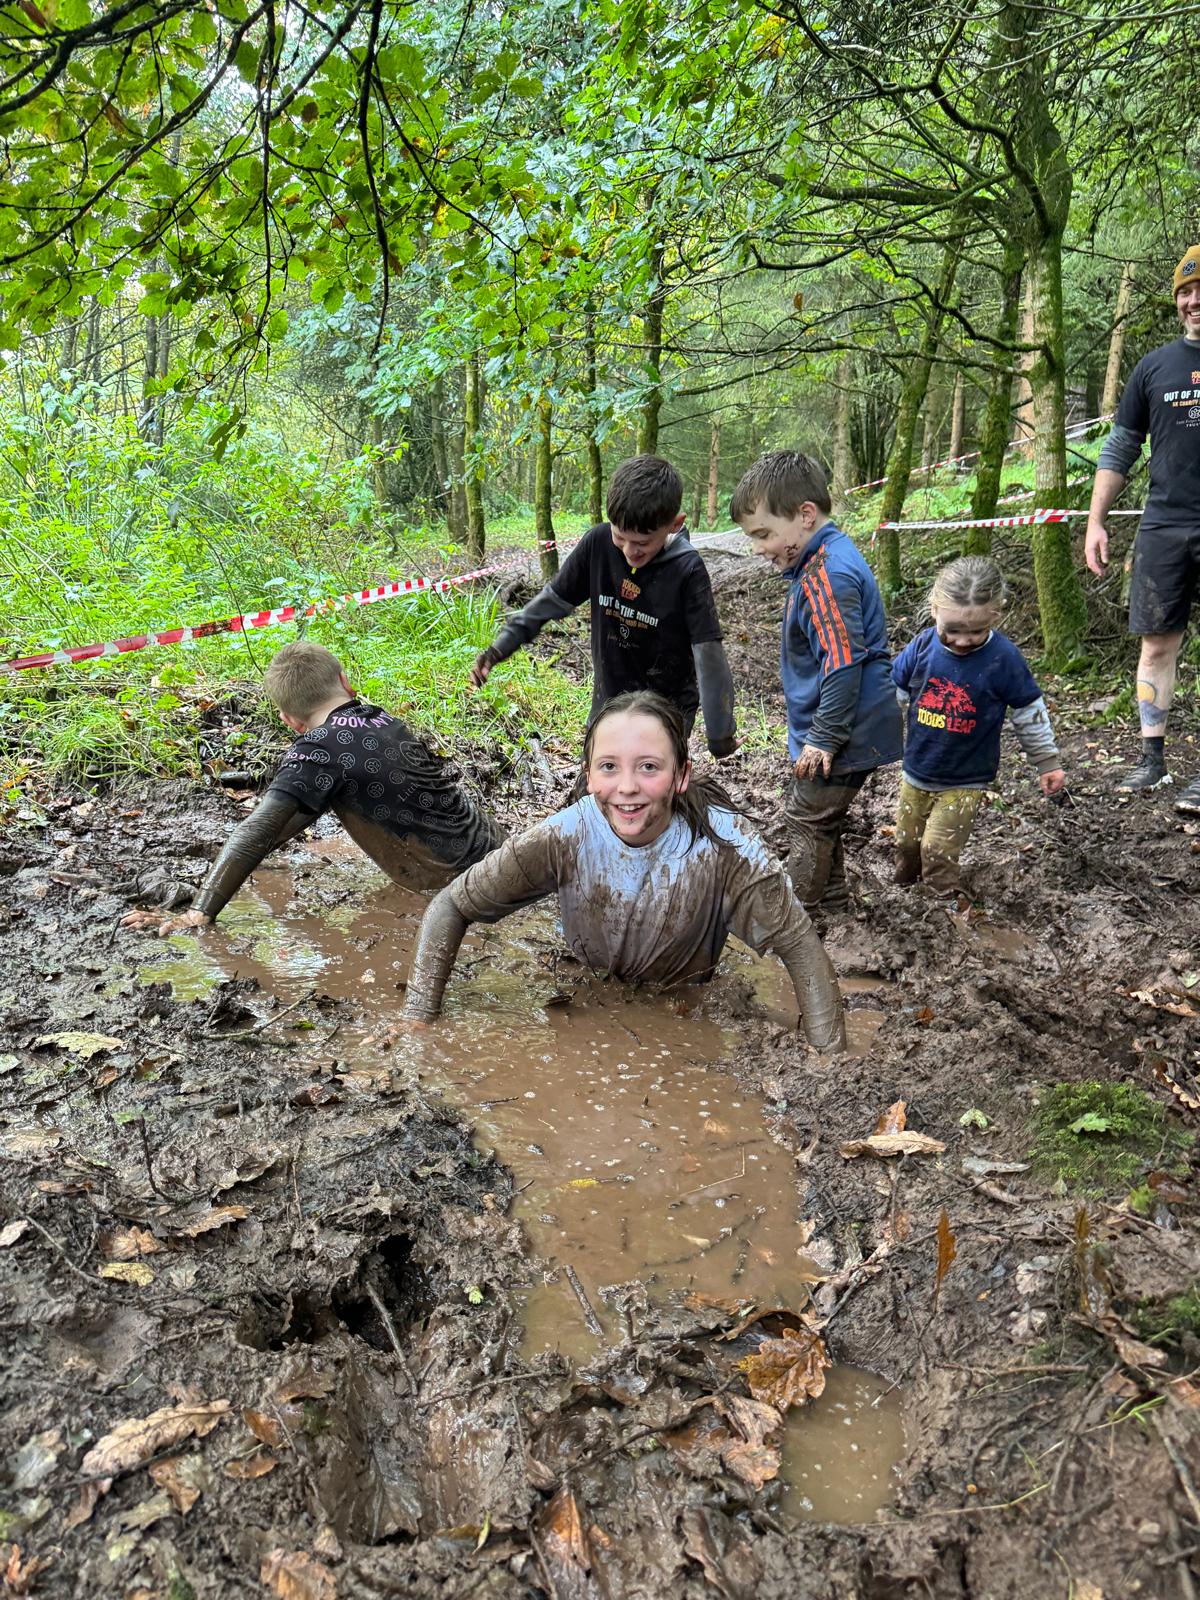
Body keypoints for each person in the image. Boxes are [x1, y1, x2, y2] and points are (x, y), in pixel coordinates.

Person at [400, 692, 845, 1049]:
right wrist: (419, 1025)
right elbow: (450, 906)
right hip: (584, 991)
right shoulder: (565, 835)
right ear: (590, 776)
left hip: (684, 1003)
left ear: (681, 776)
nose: (627, 787)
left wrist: (827, 1058)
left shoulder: (729, 847)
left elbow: (801, 948)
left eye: (649, 768)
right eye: (609, 767)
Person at [122, 640, 503, 936]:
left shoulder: (318, 751)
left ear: (289, 720)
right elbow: (280, 828)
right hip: (499, 852)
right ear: (344, 683)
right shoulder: (385, 722)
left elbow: (256, 831)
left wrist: (199, 911)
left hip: (464, 893)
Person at [470, 455, 738, 758]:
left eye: (641, 543)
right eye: (620, 537)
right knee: (595, 789)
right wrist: (499, 648)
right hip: (608, 701)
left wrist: (720, 735)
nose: (628, 551)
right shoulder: (598, 544)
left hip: (667, 710)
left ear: (674, 525)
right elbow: (550, 602)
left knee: (649, 793)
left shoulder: (687, 570)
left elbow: (708, 654)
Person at [730, 450, 902, 922]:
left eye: (764, 534)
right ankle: (833, 910)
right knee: (822, 824)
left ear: (806, 515)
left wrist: (823, 737)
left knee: (805, 822)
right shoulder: (819, 563)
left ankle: (794, 926)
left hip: (845, 730)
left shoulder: (827, 573)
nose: (759, 548)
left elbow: (844, 663)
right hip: (845, 726)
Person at [1085, 244, 1200, 813]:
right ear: (1176, 300)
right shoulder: (1153, 367)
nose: (1195, 300)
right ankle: (1151, 759)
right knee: (1157, 642)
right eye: (1186, 292)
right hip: (1164, 526)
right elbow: (1122, 446)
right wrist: (1095, 521)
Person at [890, 557, 1066, 895]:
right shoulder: (921, 648)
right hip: (916, 769)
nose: (963, 640)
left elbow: (1029, 712)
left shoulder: (1004, 659)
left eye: (976, 632)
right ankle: (903, 895)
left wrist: (1047, 762)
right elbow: (891, 697)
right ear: (934, 610)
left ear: (995, 615)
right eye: (953, 630)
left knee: (937, 849)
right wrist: (874, 737)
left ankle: (941, 906)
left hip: (966, 777)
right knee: (907, 843)